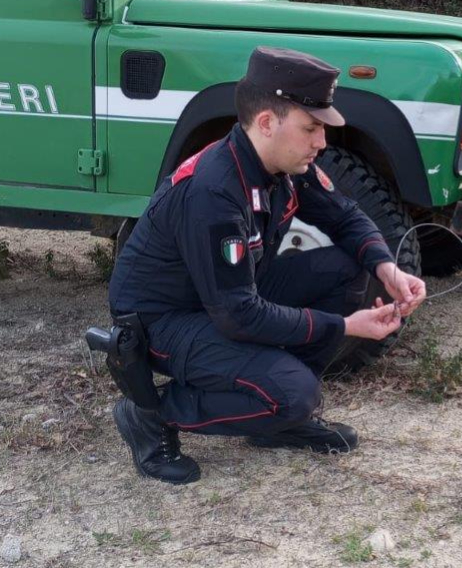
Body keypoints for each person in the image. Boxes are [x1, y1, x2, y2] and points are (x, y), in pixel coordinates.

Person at [108, 46, 426, 485]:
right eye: (311, 128)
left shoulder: (284, 162)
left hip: (224, 296)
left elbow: (345, 214)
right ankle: (152, 413)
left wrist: (387, 267)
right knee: (294, 394)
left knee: (353, 268)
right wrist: (344, 326)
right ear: (266, 123)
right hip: (164, 320)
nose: (321, 141)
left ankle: (273, 420)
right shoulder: (214, 193)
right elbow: (239, 316)